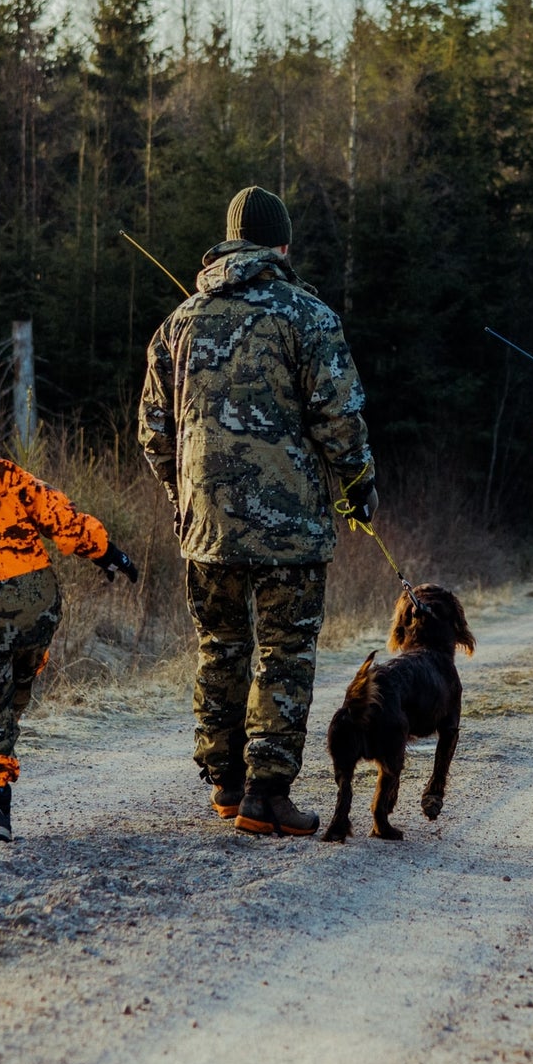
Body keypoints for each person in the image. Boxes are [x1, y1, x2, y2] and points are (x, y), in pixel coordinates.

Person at [139, 186, 375, 837]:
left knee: (220, 644)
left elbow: (153, 432)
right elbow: (341, 418)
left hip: (206, 526)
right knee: (284, 650)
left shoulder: (178, 322)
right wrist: (359, 487)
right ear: (282, 246)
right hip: (289, 527)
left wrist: (184, 499)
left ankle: (225, 783)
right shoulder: (309, 316)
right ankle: (266, 795)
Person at [0, 407, 138, 843]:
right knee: (13, 691)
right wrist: (110, 553)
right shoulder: (16, 480)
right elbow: (65, 521)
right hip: (37, 610)